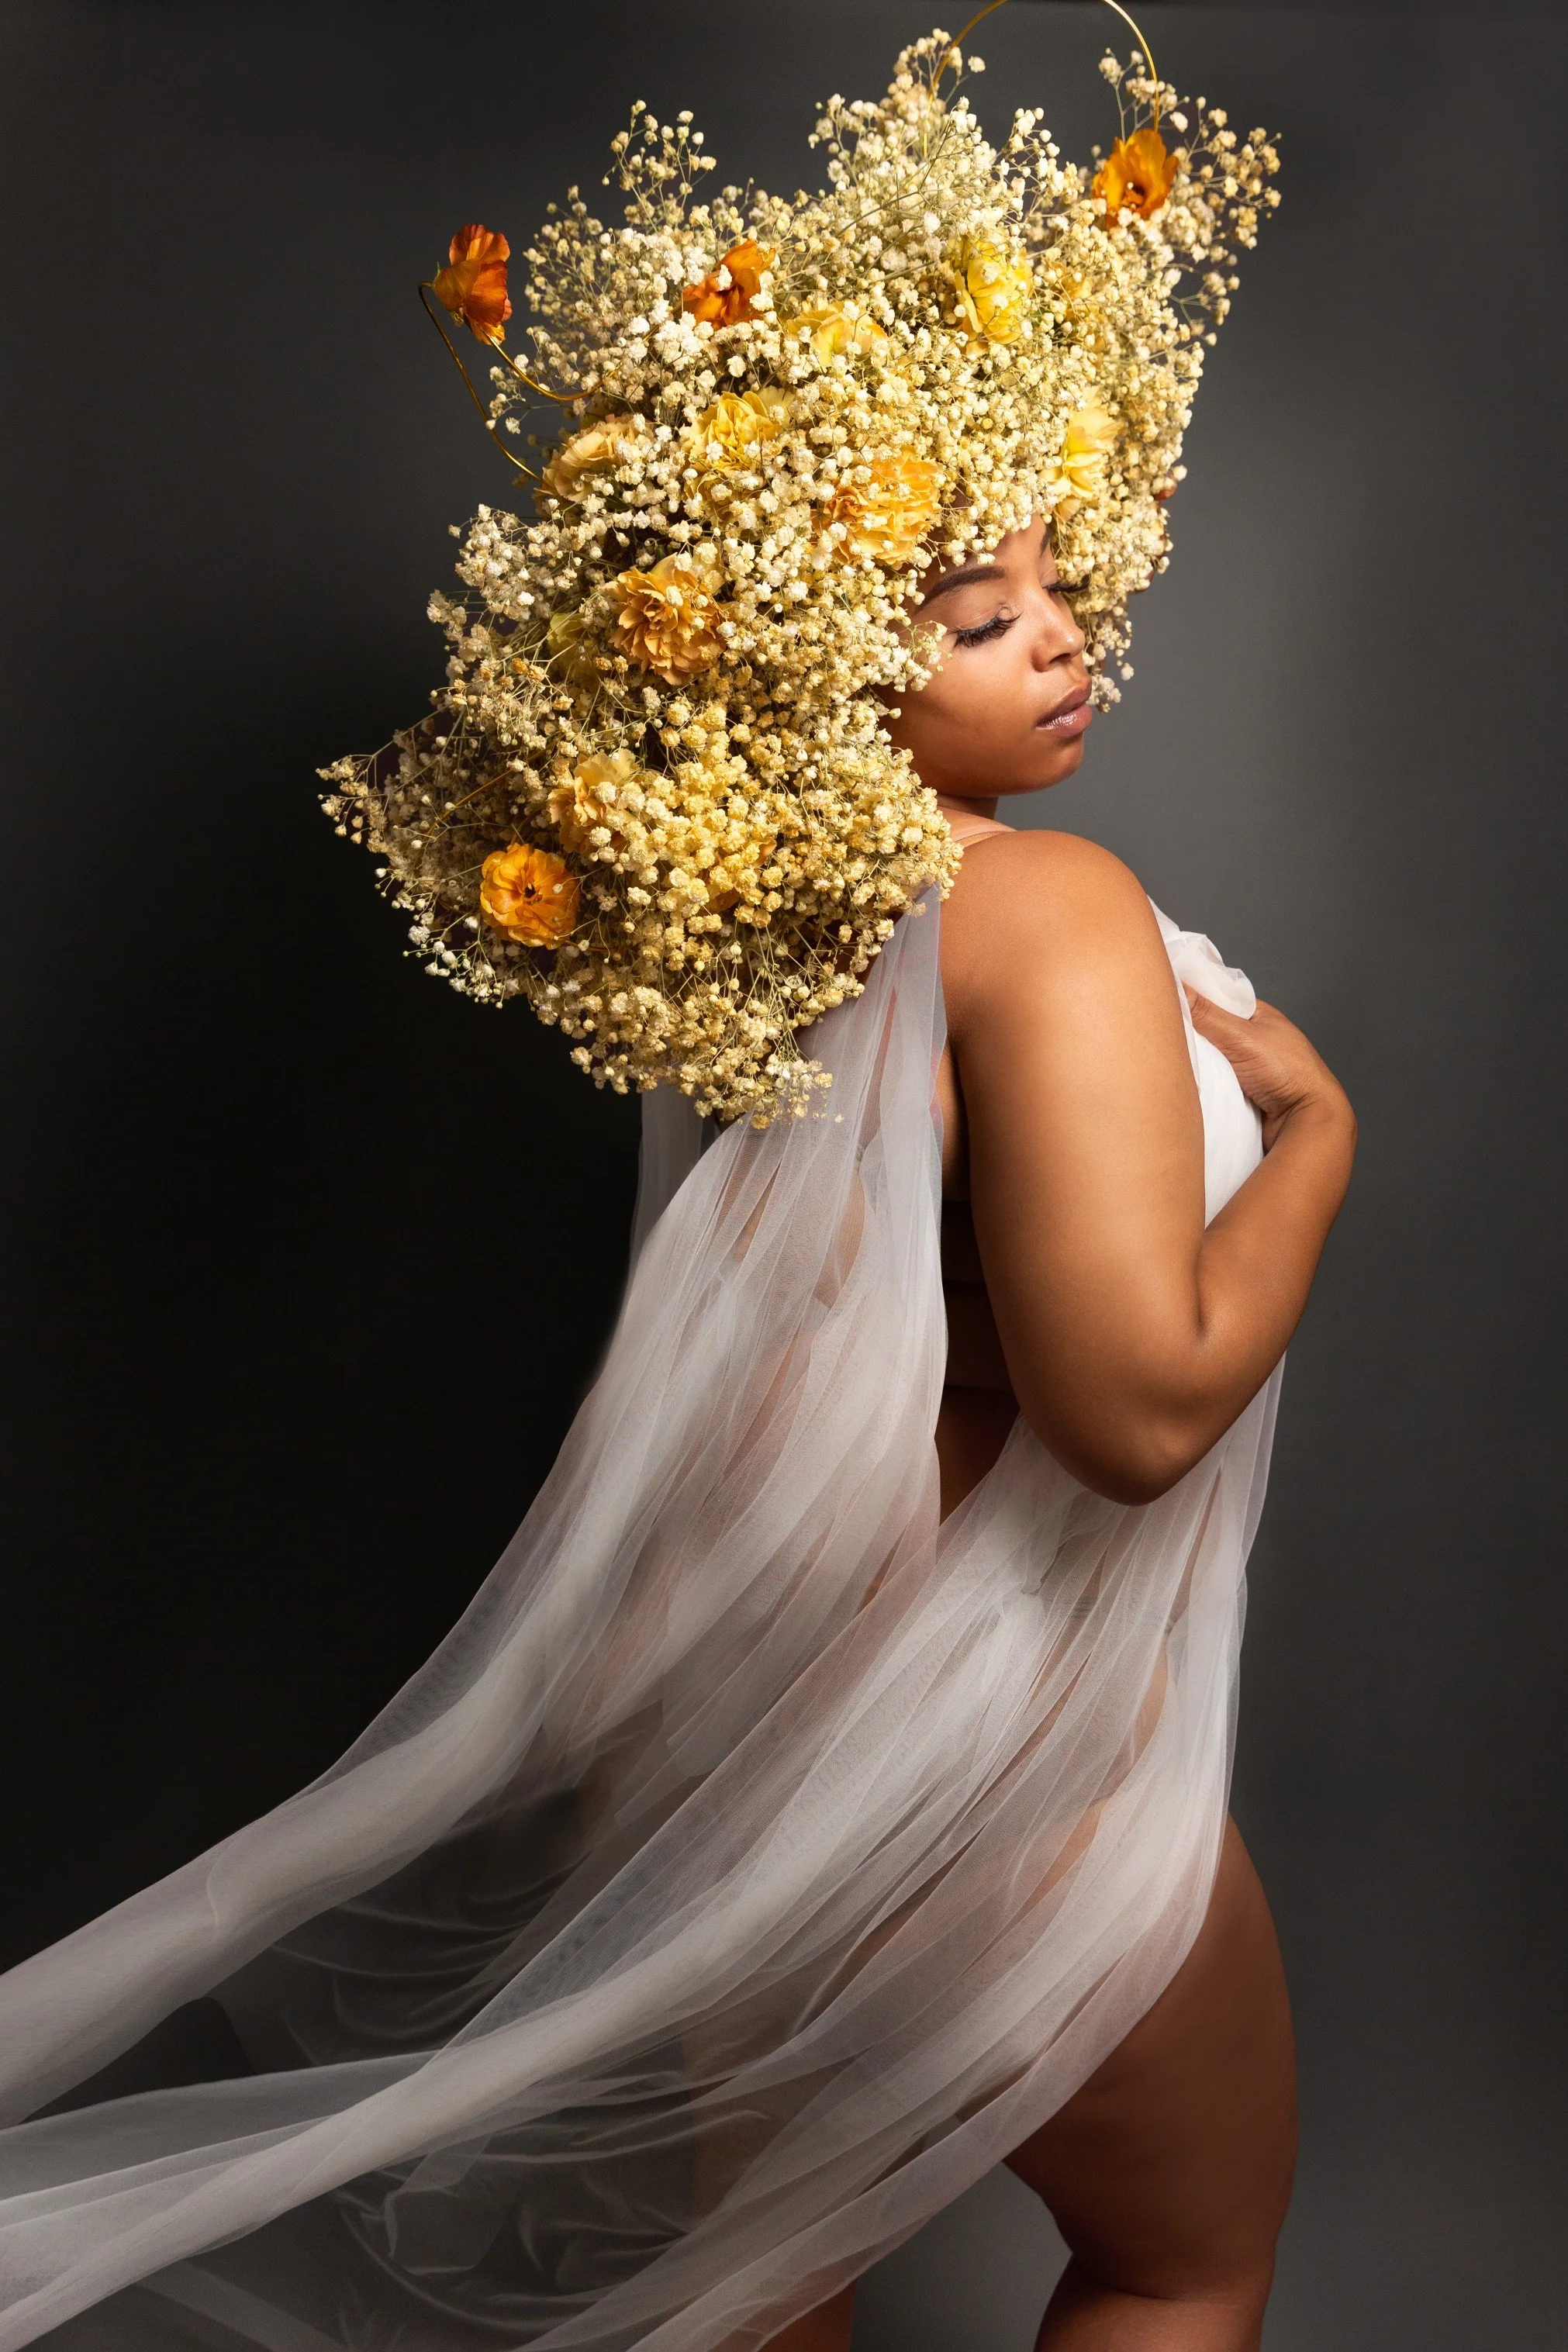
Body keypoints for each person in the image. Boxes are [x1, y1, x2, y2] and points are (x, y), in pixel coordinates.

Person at [0, 16, 1346, 2351]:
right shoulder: (1040, 915)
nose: (1060, 640)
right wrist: (1321, 1140)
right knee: (1181, 2251)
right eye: (971, 612)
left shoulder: (765, 938)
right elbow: (1128, 1420)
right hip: (990, 1777)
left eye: (1055, 586)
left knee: (753, 2290)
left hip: (737, 1765)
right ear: (801, 661)